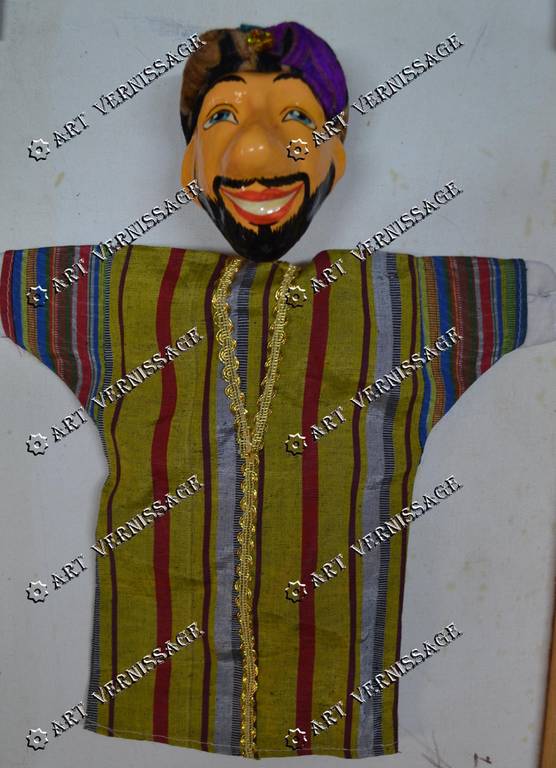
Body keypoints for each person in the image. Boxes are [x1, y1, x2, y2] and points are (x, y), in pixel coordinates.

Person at [1, 21, 555, 760]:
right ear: (189, 162)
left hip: (334, 693)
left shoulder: (406, 306)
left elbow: (537, 299)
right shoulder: (118, 297)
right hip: (153, 693)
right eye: (222, 117)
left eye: (296, 115)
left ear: (337, 151)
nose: (258, 149)